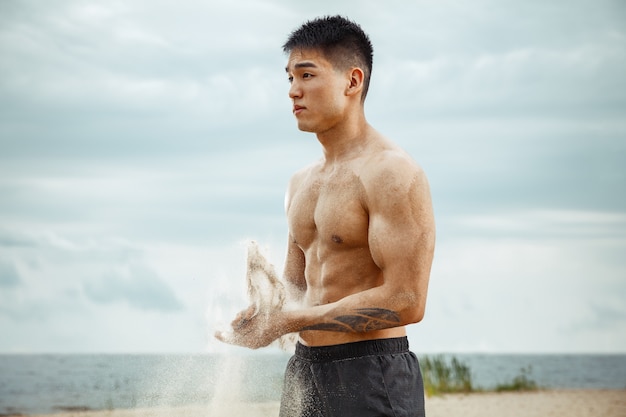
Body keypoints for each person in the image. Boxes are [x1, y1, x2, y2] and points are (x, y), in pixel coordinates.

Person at [216, 15, 435, 417]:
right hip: (304, 370)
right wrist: (266, 311)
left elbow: (407, 300)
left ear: (353, 81)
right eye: (289, 78)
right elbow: (297, 286)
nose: (293, 91)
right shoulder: (300, 182)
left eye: (307, 75)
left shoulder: (392, 173)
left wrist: (286, 321)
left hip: (371, 370)